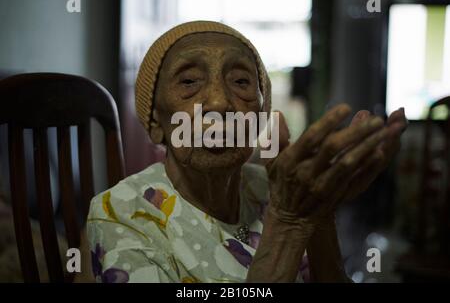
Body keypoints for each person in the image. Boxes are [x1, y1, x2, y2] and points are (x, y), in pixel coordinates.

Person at [87, 21, 407, 283]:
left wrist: (318, 211)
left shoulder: (274, 189)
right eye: (189, 81)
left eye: (241, 81)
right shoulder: (121, 214)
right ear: (156, 121)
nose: (219, 103)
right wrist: (289, 221)